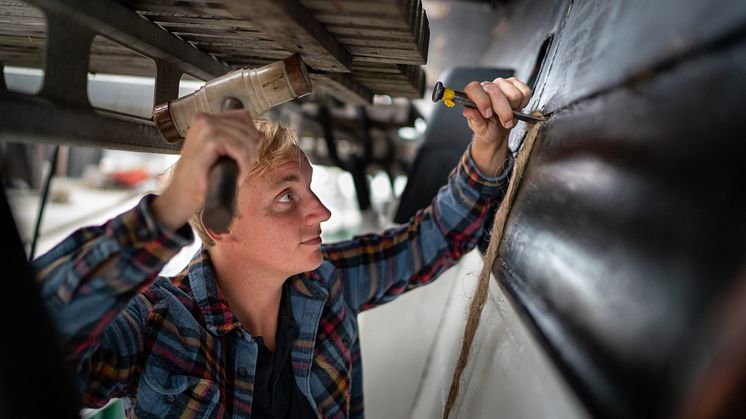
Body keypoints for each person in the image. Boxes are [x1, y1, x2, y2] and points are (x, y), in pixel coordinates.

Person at [34, 77, 532, 418]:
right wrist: (166, 210)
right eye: (286, 196)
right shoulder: (160, 324)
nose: (322, 213)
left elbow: (432, 240)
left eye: (310, 189)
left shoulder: (328, 283)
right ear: (220, 224)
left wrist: (487, 148)